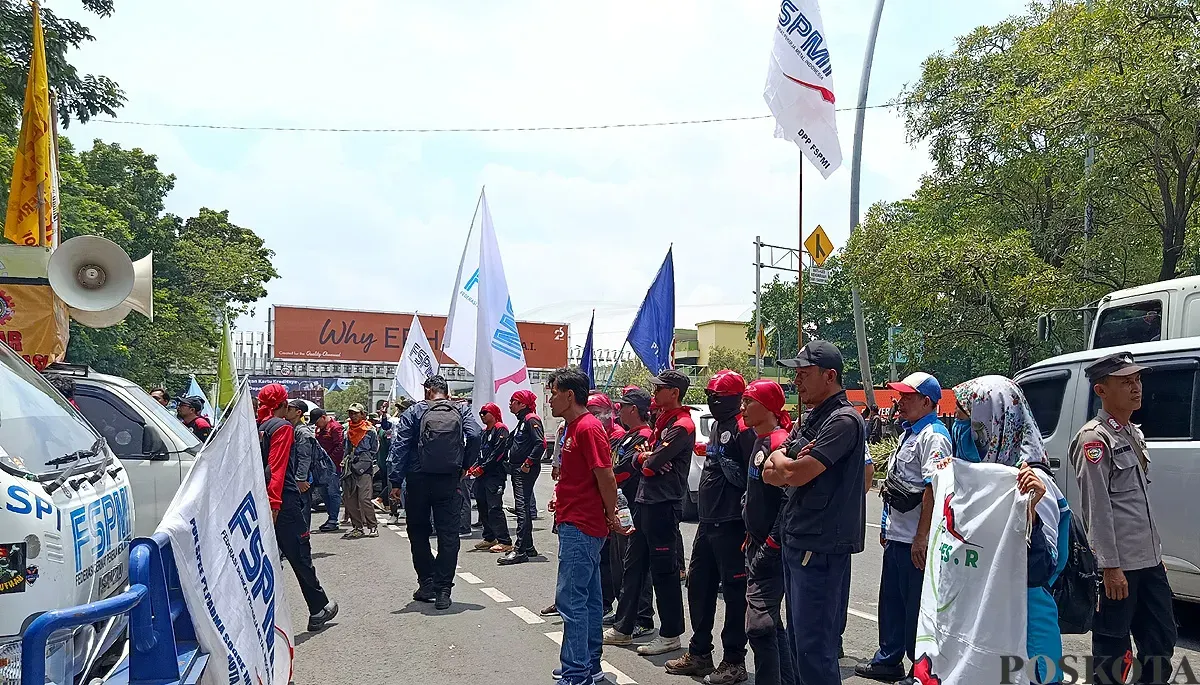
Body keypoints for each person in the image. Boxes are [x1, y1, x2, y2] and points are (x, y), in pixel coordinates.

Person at [942, 376, 1068, 685]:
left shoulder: (1035, 484)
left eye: (963, 417)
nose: (957, 426)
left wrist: (1032, 514)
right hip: (987, 623)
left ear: (991, 419)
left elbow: (1041, 569)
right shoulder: (979, 480)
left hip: (1026, 631)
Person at [763, 341, 866, 685]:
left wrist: (784, 463)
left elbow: (793, 473)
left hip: (820, 545)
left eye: (804, 374)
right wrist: (784, 461)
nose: (797, 382)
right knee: (798, 644)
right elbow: (769, 466)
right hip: (799, 536)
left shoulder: (843, 421)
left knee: (815, 650)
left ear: (830, 376)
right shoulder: (813, 417)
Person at [1070, 353, 1175, 684]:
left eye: (1138, 380)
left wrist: (1155, 553)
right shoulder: (1094, 440)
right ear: (1101, 391)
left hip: (1148, 561)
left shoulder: (1132, 432)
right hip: (1119, 567)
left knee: (1160, 639)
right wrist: (1110, 567)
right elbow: (1097, 508)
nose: (1136, 388)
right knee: (1112, 650)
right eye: (1126, 382)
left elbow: (1138, 504)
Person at [855, 372, 950, 683]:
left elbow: (933, 489)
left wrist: (922, 537)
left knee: (916, 609)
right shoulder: (908, 433)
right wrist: (885, 525)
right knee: (891, 604)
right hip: (898, 535)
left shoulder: (934, 436)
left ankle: (919, 669)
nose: (900, 401)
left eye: (908, 396)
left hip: (915, 540)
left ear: (927, 401)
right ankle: (889, 659)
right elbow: (896, 486)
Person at [667, 370, 752, 684]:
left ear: (735, 399)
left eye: (719, 397)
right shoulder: (717, 426)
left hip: (733, 526)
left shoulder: (745, 429)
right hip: (708, 522)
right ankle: (700, 653)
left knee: (734, 594)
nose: (713, 401)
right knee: (699, 587)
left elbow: (754, 481)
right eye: (710, 396)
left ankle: (734, 661)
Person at [545, 367, 625, 685]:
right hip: (576, 520)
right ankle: (588, 664)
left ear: (568, 395)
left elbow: (605, 475)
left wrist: (611, 513)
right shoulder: (574, 427)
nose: (549, 399)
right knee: (589, 599)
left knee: (572, 599)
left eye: (552, 392)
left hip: (582, 525)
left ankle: (577, 672)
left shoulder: (587, 427)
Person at [605, 369, 692, 656]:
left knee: (664, 572)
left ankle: (670, 634)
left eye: (659, 389)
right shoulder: (662, 424)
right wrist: (645, 458)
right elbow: (640, 461)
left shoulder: (682, 425)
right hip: (645, 501)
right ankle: (623, 628)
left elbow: (651, 462)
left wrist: (645, 458)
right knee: (633, 566)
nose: (653, 394)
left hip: (663, 504)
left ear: (674, 393)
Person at [388, 375, 481, 610]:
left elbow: (400, 446)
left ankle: (427, 582)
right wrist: (464, 466)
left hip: (418, 480)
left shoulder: (413, 412)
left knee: (418, 532)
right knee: (448, 534)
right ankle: (443, 590)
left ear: (428, 391)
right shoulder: (461, 410)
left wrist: (395, 482)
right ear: (446, 392)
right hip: (449, 480)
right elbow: (476, 435)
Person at [256, 385, 337, 632]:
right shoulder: (282, 428)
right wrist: (275, 503)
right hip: (282, 500)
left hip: (258, 498)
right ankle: (318, 607)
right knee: (300, 557)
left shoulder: (258, 426)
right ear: (282, 403)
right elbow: (277, 468)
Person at [741, 380, 797, 685]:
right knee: (771, 625)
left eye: (749, 402)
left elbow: (787, 502)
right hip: (756, 544)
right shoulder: (758, 440)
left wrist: (771, 545)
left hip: (771, 550)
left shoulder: (779, 442)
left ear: (768, 407)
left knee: (759, 627)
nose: (743, 408)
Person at [603, 388, 656, 636]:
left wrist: (610, 476)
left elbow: (625, 469)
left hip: (633, 503)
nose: (618, 411)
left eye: (622, 407)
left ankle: (642, 616)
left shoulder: (644, 436)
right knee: (618, 561)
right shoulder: (626, 436)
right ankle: (625, 610)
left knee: (633, 562)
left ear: (633, 409)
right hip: (620, 502)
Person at [500, 389, 545, 566]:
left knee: (522, 508)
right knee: (523, 507)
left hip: (524, 470)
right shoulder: (521, 421)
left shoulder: (531, 419)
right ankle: (528, 547)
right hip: (518, 468)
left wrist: (528, 463)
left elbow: (540, 444)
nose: (510, 404)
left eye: (514, 401)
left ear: (523, 404)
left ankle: (520, 550)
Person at [469, 402, 513, 553]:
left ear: (493, 413)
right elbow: (481, 453)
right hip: (482, 476)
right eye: (481, 413)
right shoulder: (484, 432)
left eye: (485, 412)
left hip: (494, 475)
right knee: (482, 506)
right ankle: (489, 537)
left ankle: (505, 540)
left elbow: (498, 453)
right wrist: (473, 467)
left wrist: (482, 468)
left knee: (495, 508)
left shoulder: (500, 429)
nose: (482, 415)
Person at [342, 403, 380, 540]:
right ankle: (357, 527)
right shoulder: (347, 431)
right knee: (350, 500)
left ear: (363, 414)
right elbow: (345, 449)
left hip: (364, 469)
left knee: (364, 499)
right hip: (350, 468)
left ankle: (372, 526)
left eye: (356, 413)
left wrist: (365, 461)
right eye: (351, 413)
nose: (353, 416)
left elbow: (374, 449)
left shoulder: (370, 430)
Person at [309, 408, 344, 533]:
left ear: (323, 417)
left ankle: (334, 519)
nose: (316, 425)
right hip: (322, 466)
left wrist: (329, 461)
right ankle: (331, 517)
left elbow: (340, 446)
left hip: (332, 466)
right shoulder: (320, 428)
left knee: (333, 492)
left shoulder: (335, 428)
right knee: (324, 492)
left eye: (317, 421)